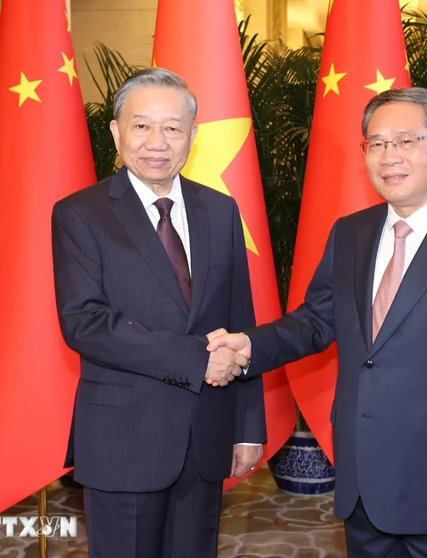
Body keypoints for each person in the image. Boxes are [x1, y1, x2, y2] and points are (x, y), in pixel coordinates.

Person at [207, 88, 427, 558]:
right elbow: (317, 321)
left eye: (405, 141)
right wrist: (249, 346)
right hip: (363, 483)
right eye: (377, 143)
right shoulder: (352, 233)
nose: (389, 156)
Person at [51, 67, 266, 558]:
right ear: (116, 131)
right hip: (124, 441)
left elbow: (241, 321)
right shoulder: (80, 213)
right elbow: (85, 321)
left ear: (192, 134)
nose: (157, 141)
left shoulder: (220, 210)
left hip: (206, 438)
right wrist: (195, 359)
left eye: (172, 128)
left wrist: (248, 426)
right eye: (141, 125)